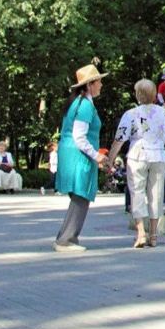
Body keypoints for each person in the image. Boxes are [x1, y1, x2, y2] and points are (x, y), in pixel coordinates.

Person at [108, 79, 165, 248]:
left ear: (138, 95)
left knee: (136, 192)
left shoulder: (130, 114)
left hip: (137, 156)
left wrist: (110, 160)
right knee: (156, 194)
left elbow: (119, 139)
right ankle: (154, 234)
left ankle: (141, 233)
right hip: (159, 156)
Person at [53, 64, 109, 252]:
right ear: (90, 84)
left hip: (70, 153)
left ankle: (64, 237)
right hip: (78, 155)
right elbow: (79, 137)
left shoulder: (77, 102)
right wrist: (97, 156)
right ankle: (66, 240)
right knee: (81, 194)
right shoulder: (85, 105)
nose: (101, 84)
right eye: (99, 81)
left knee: (79, 195)